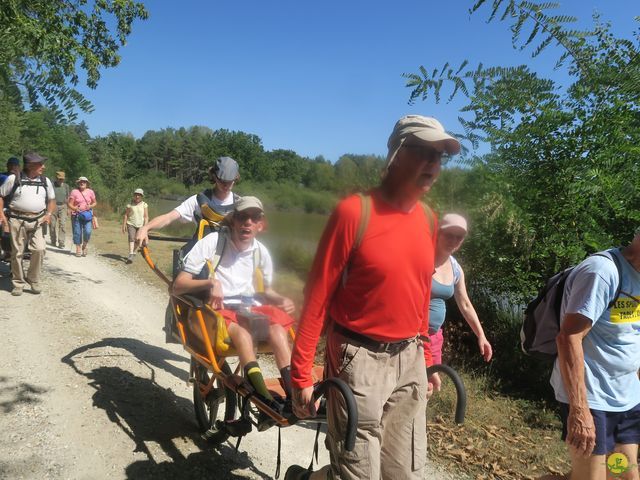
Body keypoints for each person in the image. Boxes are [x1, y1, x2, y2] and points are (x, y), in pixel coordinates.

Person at [286, 115, 460, 480]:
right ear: (397, 153)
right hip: (358, 359)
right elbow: (317, 295)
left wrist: (426, 358)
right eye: (426, 152)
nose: (434, 164)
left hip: (410, 357)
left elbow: (418, 294)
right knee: (358, 473)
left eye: (440, 156)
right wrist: (301, 372)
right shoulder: (355, 212)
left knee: (403, 473)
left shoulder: (429, 219)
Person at [172, 196, 295, 429]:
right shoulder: (213, 242)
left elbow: (266, 290)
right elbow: (177, 286)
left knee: (279, 331)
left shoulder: (261, 251)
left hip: (249, 308)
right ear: (233, 221)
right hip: (219, 310)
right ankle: (265, 402)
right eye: (242, 217)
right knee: (243, 334)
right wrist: (210, 283)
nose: (247, 223)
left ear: (260, 224)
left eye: (254, 218)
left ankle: (293, 399)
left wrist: (280, 299)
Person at [545, 229, 640, 480]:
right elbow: (568, 338)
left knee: (623, 475)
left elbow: (632, 334)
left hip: (627, 401)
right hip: (592, 401)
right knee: (591, 477)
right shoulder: (602, 272)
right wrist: (579, 411)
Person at [429, 213, 492, 365]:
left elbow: (465, 305)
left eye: (459, 237)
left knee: (429, 387)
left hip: (434, 338)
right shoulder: (423, 258)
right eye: (449, 235)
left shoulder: (455, 268)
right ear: (438, 232)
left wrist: (481, 335)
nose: (454, 240)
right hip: (411, 337)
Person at [135, 156, 240, 246]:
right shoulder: (198, 201)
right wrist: (146, 228)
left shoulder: (241, 204)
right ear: (214, 176)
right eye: (222, 181)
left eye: (230, 181)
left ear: (236, 178)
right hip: (202, 261)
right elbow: (169, 217)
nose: (226, 185)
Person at [0, 152, 55, 296]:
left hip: (38, 220)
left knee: (39, 249)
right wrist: (1, 215)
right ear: (30, 165)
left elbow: (51, 200)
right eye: (40, 164)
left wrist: (48, 215)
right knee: (17, 252)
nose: (43, 167)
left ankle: (33, 279)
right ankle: (18, 283)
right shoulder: (14, 179)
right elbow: (1, 195)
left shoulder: (45, 180)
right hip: (17, 219)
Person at [68, 176, 97, 257]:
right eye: (81, 181)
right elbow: (69, 204)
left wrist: (90, 206)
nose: (82, 183)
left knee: (88, 231)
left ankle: (84, 245)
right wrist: (74, 208)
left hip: (87, 215)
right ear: (78, 183)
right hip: (76, 215)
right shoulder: (74, 192)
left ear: (87, 183)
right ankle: (78, 248)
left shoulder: (90, 192)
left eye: (84, 182)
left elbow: (95, 202)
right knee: (77, 232)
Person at [0, 157, 21, 260]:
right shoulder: (2, 176)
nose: (13, 167)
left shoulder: (21, 178)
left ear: (18, 167)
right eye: (11, 165)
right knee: (4, 229)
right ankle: (7, 251)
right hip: (3, 206)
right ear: (7, 165)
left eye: (15, 165)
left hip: (16, 208)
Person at [122, 188, 148, 264]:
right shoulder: (130, 205)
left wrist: (145, 227)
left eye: (139, 195)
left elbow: (146, 217)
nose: (137, 196)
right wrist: (124, 225)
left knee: (138, 239)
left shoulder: (144, 205)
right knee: (131, 238)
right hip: (131, 224)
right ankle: (131, 254)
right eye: (136, 194)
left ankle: (133, 252)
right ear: (134, 195)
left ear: (141, 196)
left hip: (140, 225)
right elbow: (126, 215)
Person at [50, 171, 70, 249]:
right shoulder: (52, 185)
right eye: (59, 179)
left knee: (62, 225)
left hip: (63, 206)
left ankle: (61, 242)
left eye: (62, 179)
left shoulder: (66, 186)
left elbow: (68, 198)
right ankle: (53, 240)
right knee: (52, 225)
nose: (61, 180)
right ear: (56, 178)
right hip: (53, 206)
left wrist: (68, 208)